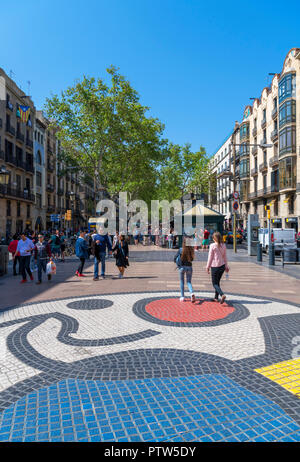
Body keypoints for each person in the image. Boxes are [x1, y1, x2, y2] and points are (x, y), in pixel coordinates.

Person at [206, 231, 229, 304]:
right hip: (222, 266)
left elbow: (210, 257)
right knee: (217, 282)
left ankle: (222, 294)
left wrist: (207, 267)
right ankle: (216, 297)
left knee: (214, 283)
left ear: (214, 238)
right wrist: (226, 265)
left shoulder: (212, 245)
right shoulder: (223, 245)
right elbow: (225, 256)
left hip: (215, 266)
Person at [174, 238, 195, 303]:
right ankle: (191, 293)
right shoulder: (191, 250)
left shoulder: (180, 250)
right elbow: (192, 259)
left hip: (182, 268)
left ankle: (182, 297)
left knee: (182, 282)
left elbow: (174, 259)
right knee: (189, 282)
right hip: (189, 267)